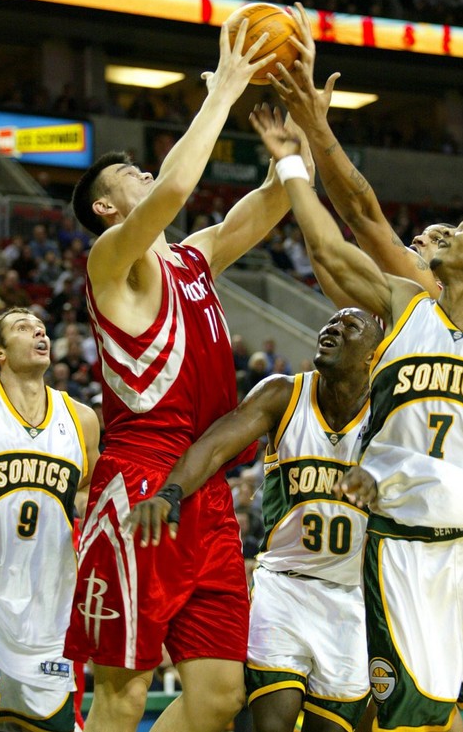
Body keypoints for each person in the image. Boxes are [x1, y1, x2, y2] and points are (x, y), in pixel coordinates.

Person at [248, 105, 463, 732]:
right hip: (403, 550)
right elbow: (332, 245)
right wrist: (287, 162)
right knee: (412, 722)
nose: (444, 236)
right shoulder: (404, 306)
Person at [63, 20, 308, 732]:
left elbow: (272, 199)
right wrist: (224, 89)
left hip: (205, 489)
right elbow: (173, 187)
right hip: (138, 483)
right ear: (107, 209)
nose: (144, 174)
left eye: (142, 168)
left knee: (218, 697)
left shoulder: (195, 258)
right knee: (124, 693)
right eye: (127, 177)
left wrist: (293, 137)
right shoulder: (111, 264)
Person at [128, 307, 384, 732]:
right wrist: (171, 491)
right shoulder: (283, 394)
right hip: (283, 587)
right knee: (271, 723)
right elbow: (214, 447)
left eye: (350, 327)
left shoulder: (387, 414)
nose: (332, 328)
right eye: (331, 322)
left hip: (353, 597)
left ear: (373, 355)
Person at [271, 3, 449, 305]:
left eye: (438, 240)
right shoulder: (385, 302)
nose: (419, 238)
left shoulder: (438, 296)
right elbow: (324, 253)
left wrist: (313, 122)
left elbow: (362, 213)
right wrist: (300, 100)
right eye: (426, 234)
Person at [0, 306, 100, 732]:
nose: (38, 333)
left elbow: (88, 488)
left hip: (47, 608)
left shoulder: (80, 419)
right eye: (23, 328)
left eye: (41, 328)